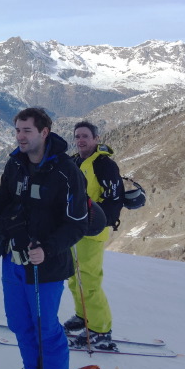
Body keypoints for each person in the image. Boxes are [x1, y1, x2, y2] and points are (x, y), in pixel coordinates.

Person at [0, 108, 88, 369]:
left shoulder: (66, 171)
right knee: (19, 323)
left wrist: (46, 249)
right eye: (17, 130)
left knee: (45, 329)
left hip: (45, 266)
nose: (20, 136)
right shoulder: (15, 162)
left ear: (44, 132)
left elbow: (77, 224)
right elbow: (6, 197)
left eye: (27, 130)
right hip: (12, 259)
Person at [64, 121, 124, 348]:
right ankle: (83, 316)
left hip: (92, 231)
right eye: (77, 136)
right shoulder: (74, 162)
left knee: (88, 281)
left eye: (85, 136)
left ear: (96, 139)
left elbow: (114, 199)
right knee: (74, 277)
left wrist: (98, 222)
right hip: (72, 229)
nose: (81, 140)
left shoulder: (104, 165)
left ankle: (100, 329)